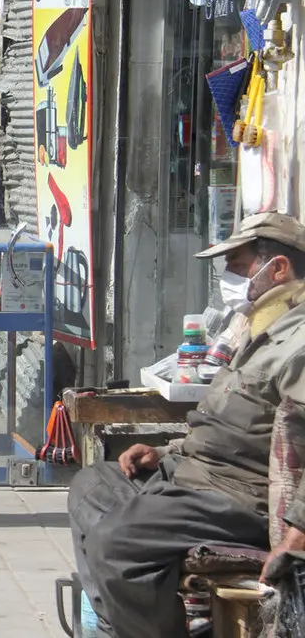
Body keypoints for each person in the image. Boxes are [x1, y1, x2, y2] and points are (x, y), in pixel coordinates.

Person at [68, 210, 305, 638]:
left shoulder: (299, 341)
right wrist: (164, 452)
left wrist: (298, 534)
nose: (228, 275)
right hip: (191, 474)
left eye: (238, 264)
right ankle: (122, 622)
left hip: (234, 495)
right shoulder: (258, 328)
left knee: (115, 543)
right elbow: (223, 425)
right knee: (92, 486)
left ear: (279, 268)